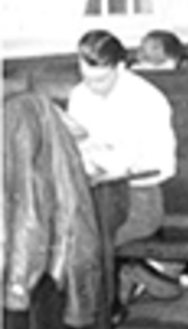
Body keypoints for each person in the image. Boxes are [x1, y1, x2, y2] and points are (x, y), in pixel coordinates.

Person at [66, 29, 181, 302]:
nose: (92, 87)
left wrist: (112, 163)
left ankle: (100, 318)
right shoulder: (80, 95)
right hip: (92, 196)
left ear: (120, 67)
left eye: (101, 80)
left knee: (86, 239)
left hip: (138, 200)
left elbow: (162, 164)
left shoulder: (146, 98)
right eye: (86, 78)